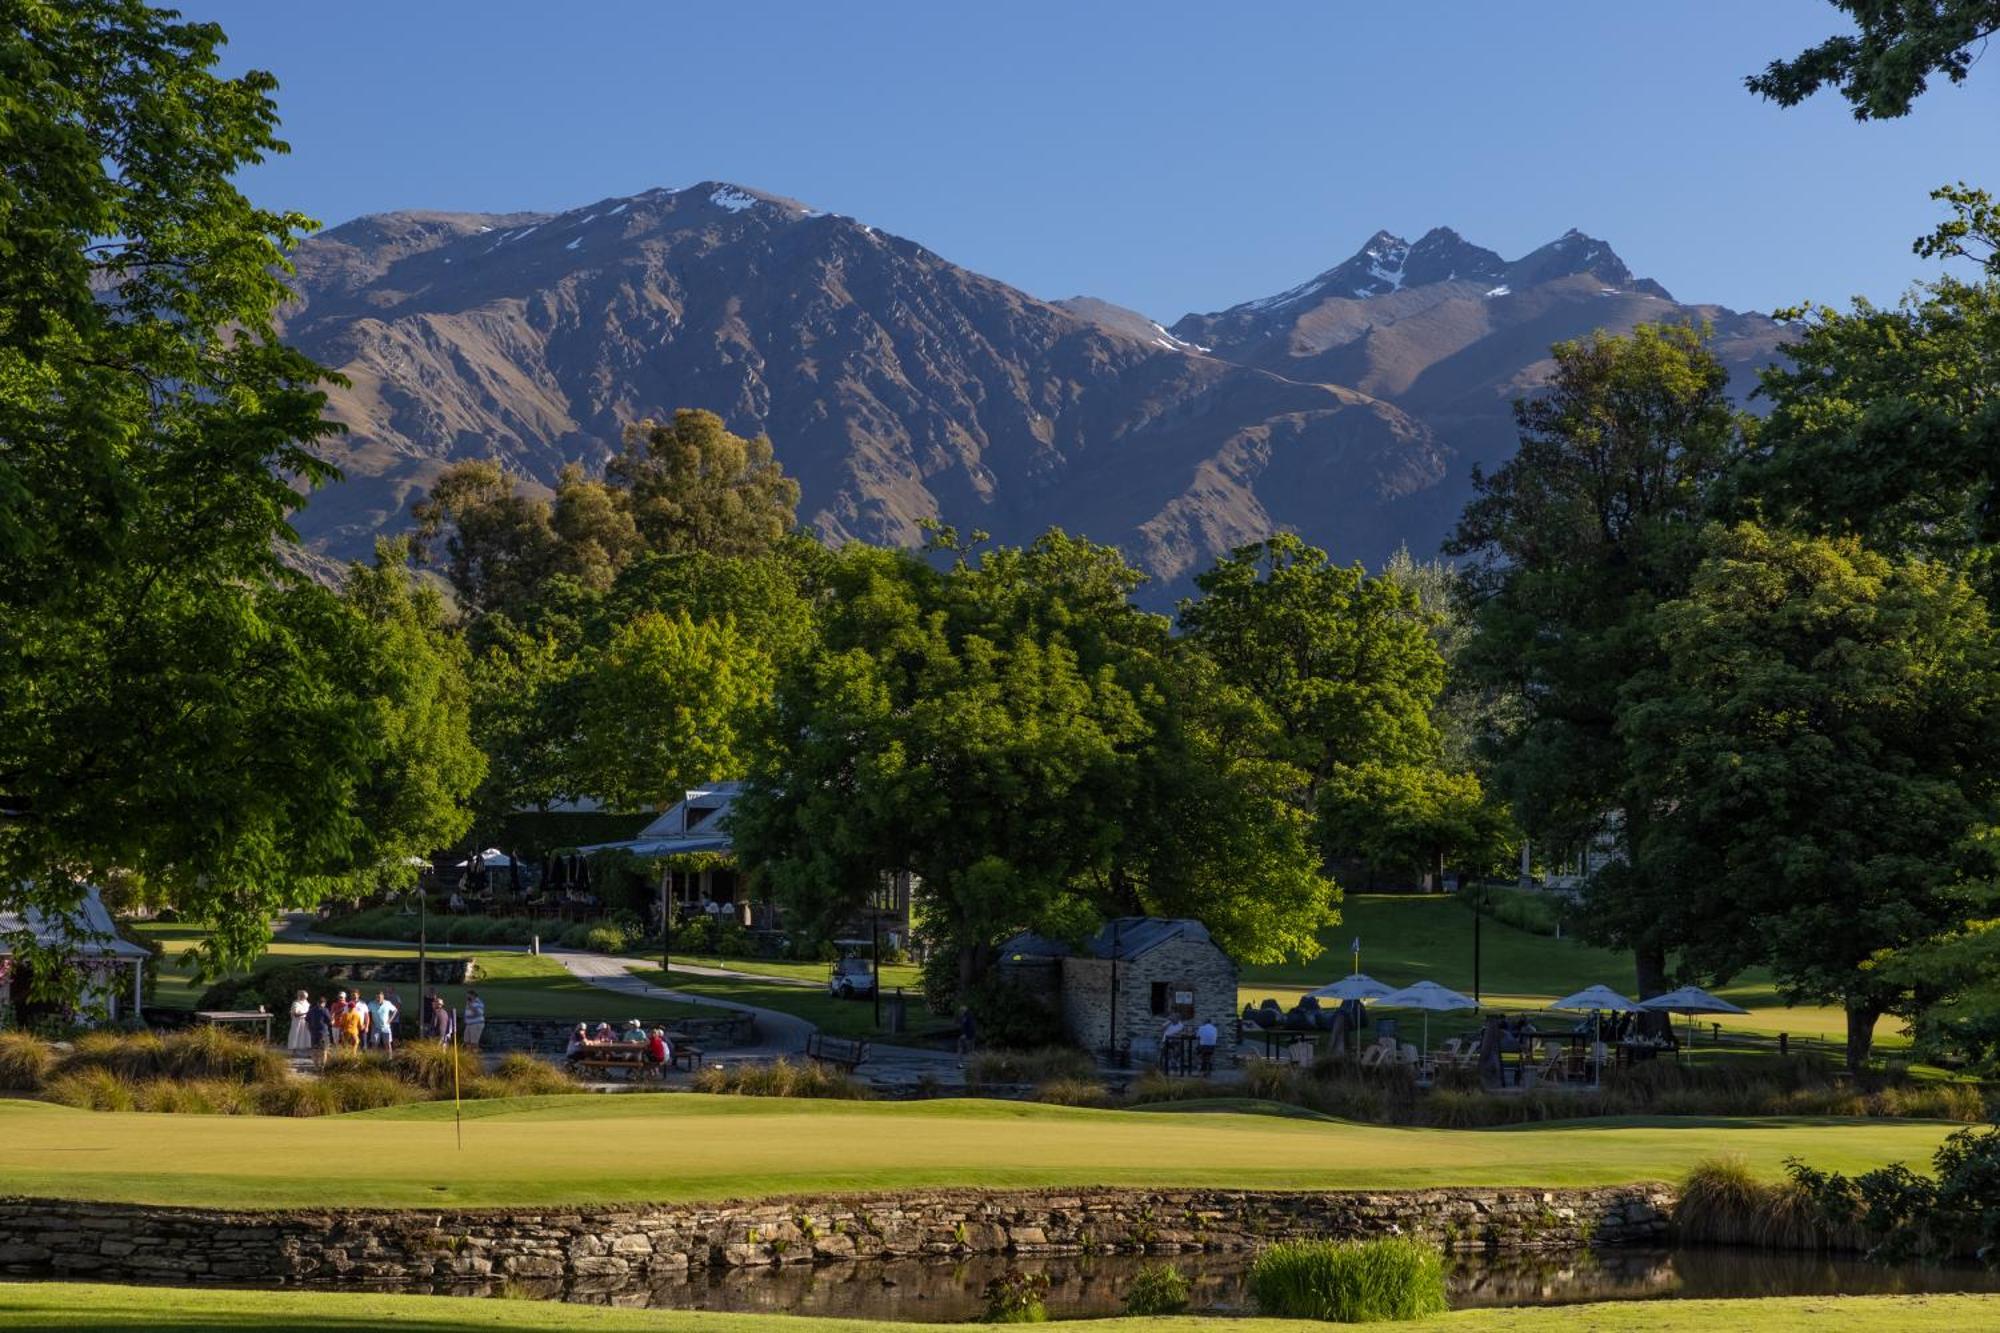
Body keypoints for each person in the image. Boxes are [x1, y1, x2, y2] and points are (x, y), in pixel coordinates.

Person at [307, 995, 334, 1070]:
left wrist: (310, 1031)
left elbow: (307, 1022)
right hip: (323, 1033)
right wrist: (333, 1019)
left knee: (315, 1050)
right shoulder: (324, 1010)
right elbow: (330, 1022)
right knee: (324, 1050)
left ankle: (316, 1066)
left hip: (313, 1033)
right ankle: (322, 1067)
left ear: (317, 1002)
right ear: (324, 1003)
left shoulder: (311, 1010)